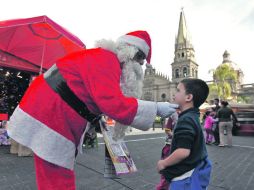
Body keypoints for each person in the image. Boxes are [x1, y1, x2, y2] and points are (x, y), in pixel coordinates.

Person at [7, 30, 178, 190]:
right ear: (131, 55)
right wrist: (156, 108)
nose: (140, 69)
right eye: (139, 63)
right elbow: (113, 103)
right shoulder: (107, 61)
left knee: (51, 172)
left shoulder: (102, 58)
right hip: (51, 114)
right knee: (57, 177)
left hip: (48, 110)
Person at [157, 78, 212, 190]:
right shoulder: (193, 116)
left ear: (188, 97)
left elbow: (183, 152)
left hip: (185, 178)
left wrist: (164, 163)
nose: (174, 94)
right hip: (193, 172)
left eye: (178, 91)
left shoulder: (186, 119)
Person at [156, 112, 178, 190]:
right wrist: (176, 136)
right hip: (170, 146)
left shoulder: (188, 116)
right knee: (166, 171)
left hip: (179, 148)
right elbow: (167, 130)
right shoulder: (172, 116)